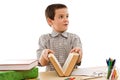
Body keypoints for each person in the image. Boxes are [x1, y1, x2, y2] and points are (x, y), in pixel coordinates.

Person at [37, 3, 83, 71]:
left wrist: (79, 54)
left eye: (67, 16)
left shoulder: (74, 38)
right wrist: (44, 55)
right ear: (50, 21)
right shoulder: (44, 39)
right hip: (52, 77)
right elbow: (42, 63)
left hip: (71, 75)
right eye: (61, 17)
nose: (66, 20)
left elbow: (78, 61)